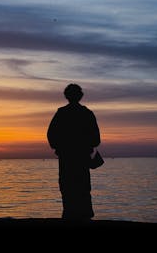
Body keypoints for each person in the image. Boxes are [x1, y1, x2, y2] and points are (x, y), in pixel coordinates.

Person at [47, 83, 101, 220]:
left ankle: (69, 214)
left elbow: (51, 134)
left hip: (66, 156)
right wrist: (87, 145)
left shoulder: (62, 113)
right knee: (82, 185)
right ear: (80, 96)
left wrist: (59, 148)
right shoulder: (87, 113)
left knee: (67, 185)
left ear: (67, 96)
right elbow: (96, 138)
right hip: (81, 156)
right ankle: (84, 214)